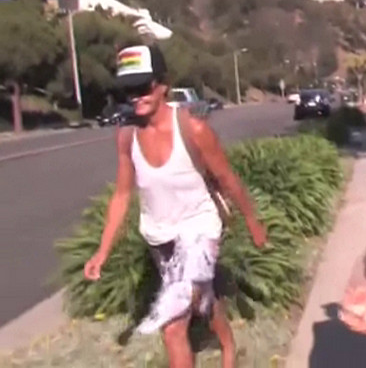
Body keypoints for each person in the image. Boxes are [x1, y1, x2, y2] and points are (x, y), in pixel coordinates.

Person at [83, 44, 268, 368]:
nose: (136, 97)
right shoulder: (127, 136)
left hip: (199, 229)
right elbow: (122, 195)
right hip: (159, 236)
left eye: (143, 87)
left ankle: (224, 349)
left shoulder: (194, 131)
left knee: (172, 327)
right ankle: (227, 343)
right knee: (201, 302)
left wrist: (253, 223)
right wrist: (102, 251)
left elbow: (227, 178)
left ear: (163, 85)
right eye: (128, 90)